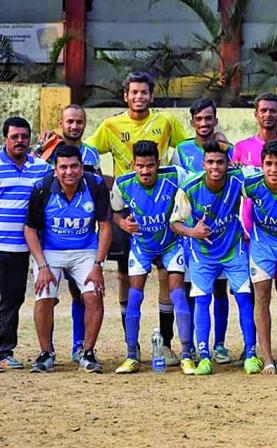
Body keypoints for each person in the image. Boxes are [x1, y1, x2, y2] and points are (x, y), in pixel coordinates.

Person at [85, 71, 190, 362]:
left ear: (151, 95)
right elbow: (87, 154)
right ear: (125, 96)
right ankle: (132, 347)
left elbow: (189, 149)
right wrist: (107, 181)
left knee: (167, 273)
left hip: (162, 208)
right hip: (127, 208)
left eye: (144, 92)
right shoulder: (110, 125)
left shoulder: (165, 121)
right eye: (134, 92)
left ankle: (167, 343)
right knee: (124, 276)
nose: (139, 97)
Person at [0, 116, 52, 372]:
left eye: (24, 137)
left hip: (21, 249)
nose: (20, 141)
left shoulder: (40, 168)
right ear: (5, 138)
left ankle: (5, 352)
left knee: (12, 301)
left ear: (30, 138)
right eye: (14, 137)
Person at [24, 144, 111, 373]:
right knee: (44, 295)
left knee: (93, 294)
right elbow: (30, 230)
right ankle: (45, 353)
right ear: (55, 169)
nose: (69, 172)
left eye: (74, 166)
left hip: (85, 250)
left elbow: (105, 226)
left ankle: (88, 352)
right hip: (50, 251)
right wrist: (42, 266)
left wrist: (98, 265)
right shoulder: (42, 188)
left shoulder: (95, 185)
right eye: (63, 167)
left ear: (82, 167)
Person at [233, 92, 277, 371]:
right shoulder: (240, 147)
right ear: (256, 114)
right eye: (263, 110)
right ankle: (254, 347)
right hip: (256, 235)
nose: (268, 114)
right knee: (255, 294)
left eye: (273, 110)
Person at [111, 140, 191, 374]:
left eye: (150, 165)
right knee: (135, 297)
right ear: (132, 164)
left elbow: (200, 182)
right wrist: (122, 223)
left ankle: (186, 354)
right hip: (142, 248)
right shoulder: (122, 183)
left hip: (171, 245)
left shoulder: (175, 175)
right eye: (140, 166)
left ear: (158, 163)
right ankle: (131, 355)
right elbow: (115, 213)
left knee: (178, 295)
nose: (145, 171)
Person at [170, 98, 235, 365]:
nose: (204, 123)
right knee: (193, 291)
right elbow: (176, 184)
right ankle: (194, 344)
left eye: (209, 118)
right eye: (199, 119)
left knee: (220, 290)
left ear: (215, 120)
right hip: (190, 231)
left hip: (221, 233)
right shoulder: (181, 150)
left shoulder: (225, 147)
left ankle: (219, 345)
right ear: (192, 122)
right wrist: (186, 228)